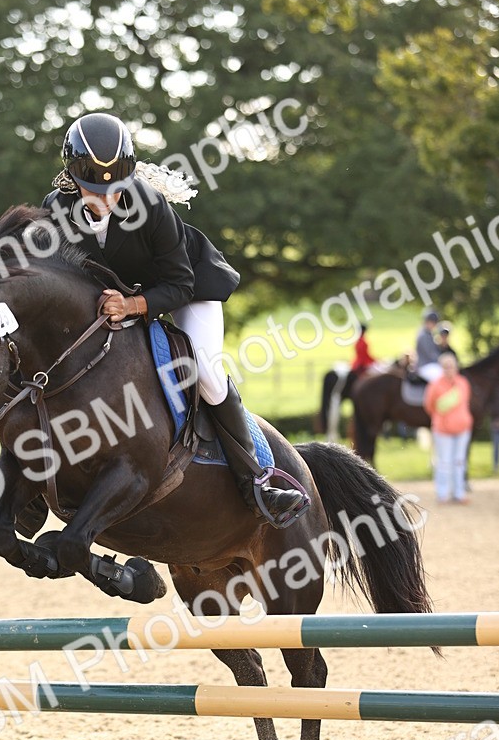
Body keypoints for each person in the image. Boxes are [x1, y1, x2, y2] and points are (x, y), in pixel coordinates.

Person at [40, 112, 309, 527]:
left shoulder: (149, 206)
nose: (105, 199)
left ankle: (258, 484)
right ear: (73, 179)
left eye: (114, 190)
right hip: (114, 299)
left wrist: (132, 306)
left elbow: (180, 284)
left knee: (205, 372)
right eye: (95, 189)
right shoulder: (55, 210)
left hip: (186, 289)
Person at [423, 353, 473, 504]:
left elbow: (466, 402)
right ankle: (442, 493)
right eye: (446, 366)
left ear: (456, 367)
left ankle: (459, 493)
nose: (449, 369)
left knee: (459, 462)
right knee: (444, 462)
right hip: (443, 430)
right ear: (441, 368)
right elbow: (429, 405)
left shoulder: (463, 383)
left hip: (463, 429)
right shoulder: (435, 385)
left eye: (451, 366)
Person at [415, 309, 444, 382]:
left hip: (431, 364)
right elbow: (430, 354)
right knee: (441, 377)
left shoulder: (429, 334)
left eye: (434, 323)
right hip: (425, 366)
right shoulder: (423, 335)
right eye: (432, 322)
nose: (433, 325)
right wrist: (443, 360)